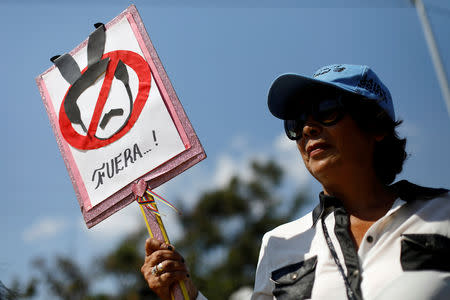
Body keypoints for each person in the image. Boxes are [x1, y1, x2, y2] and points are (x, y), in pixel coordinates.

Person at [141, 64, 450, 300]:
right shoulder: (278, 244)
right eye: (296, 122)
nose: (306, 129)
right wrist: (185, 294)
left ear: (376, 125)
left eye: (326, 111)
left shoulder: (443, 213)